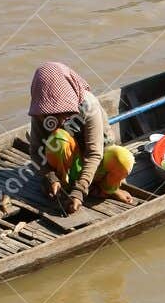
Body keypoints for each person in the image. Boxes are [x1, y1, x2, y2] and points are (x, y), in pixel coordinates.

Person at [26, 62, 134, 214]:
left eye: (62, 111)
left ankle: (107, 189)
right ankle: (64, 186)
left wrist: (80, 190)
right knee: (59, 139)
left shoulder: (88, 105)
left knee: (123, 158)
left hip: (97, 163)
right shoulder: (40, 110)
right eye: (52, 113)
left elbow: (95, 153)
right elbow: (36, 152)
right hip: (68, 166)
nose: (59, 119)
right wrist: (50, 177)